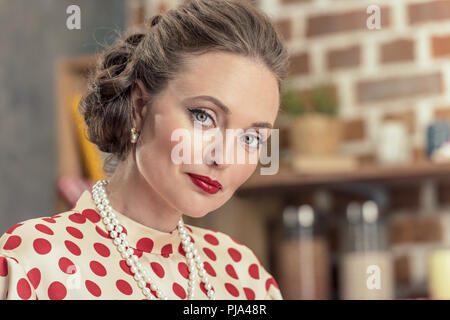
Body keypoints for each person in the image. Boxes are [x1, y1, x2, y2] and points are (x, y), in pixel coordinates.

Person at [0, 0, 289, 300]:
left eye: (251, 138)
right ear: (140, 106)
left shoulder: (242, 274)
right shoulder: (35, 262)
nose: (223, 157)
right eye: (203, 117)